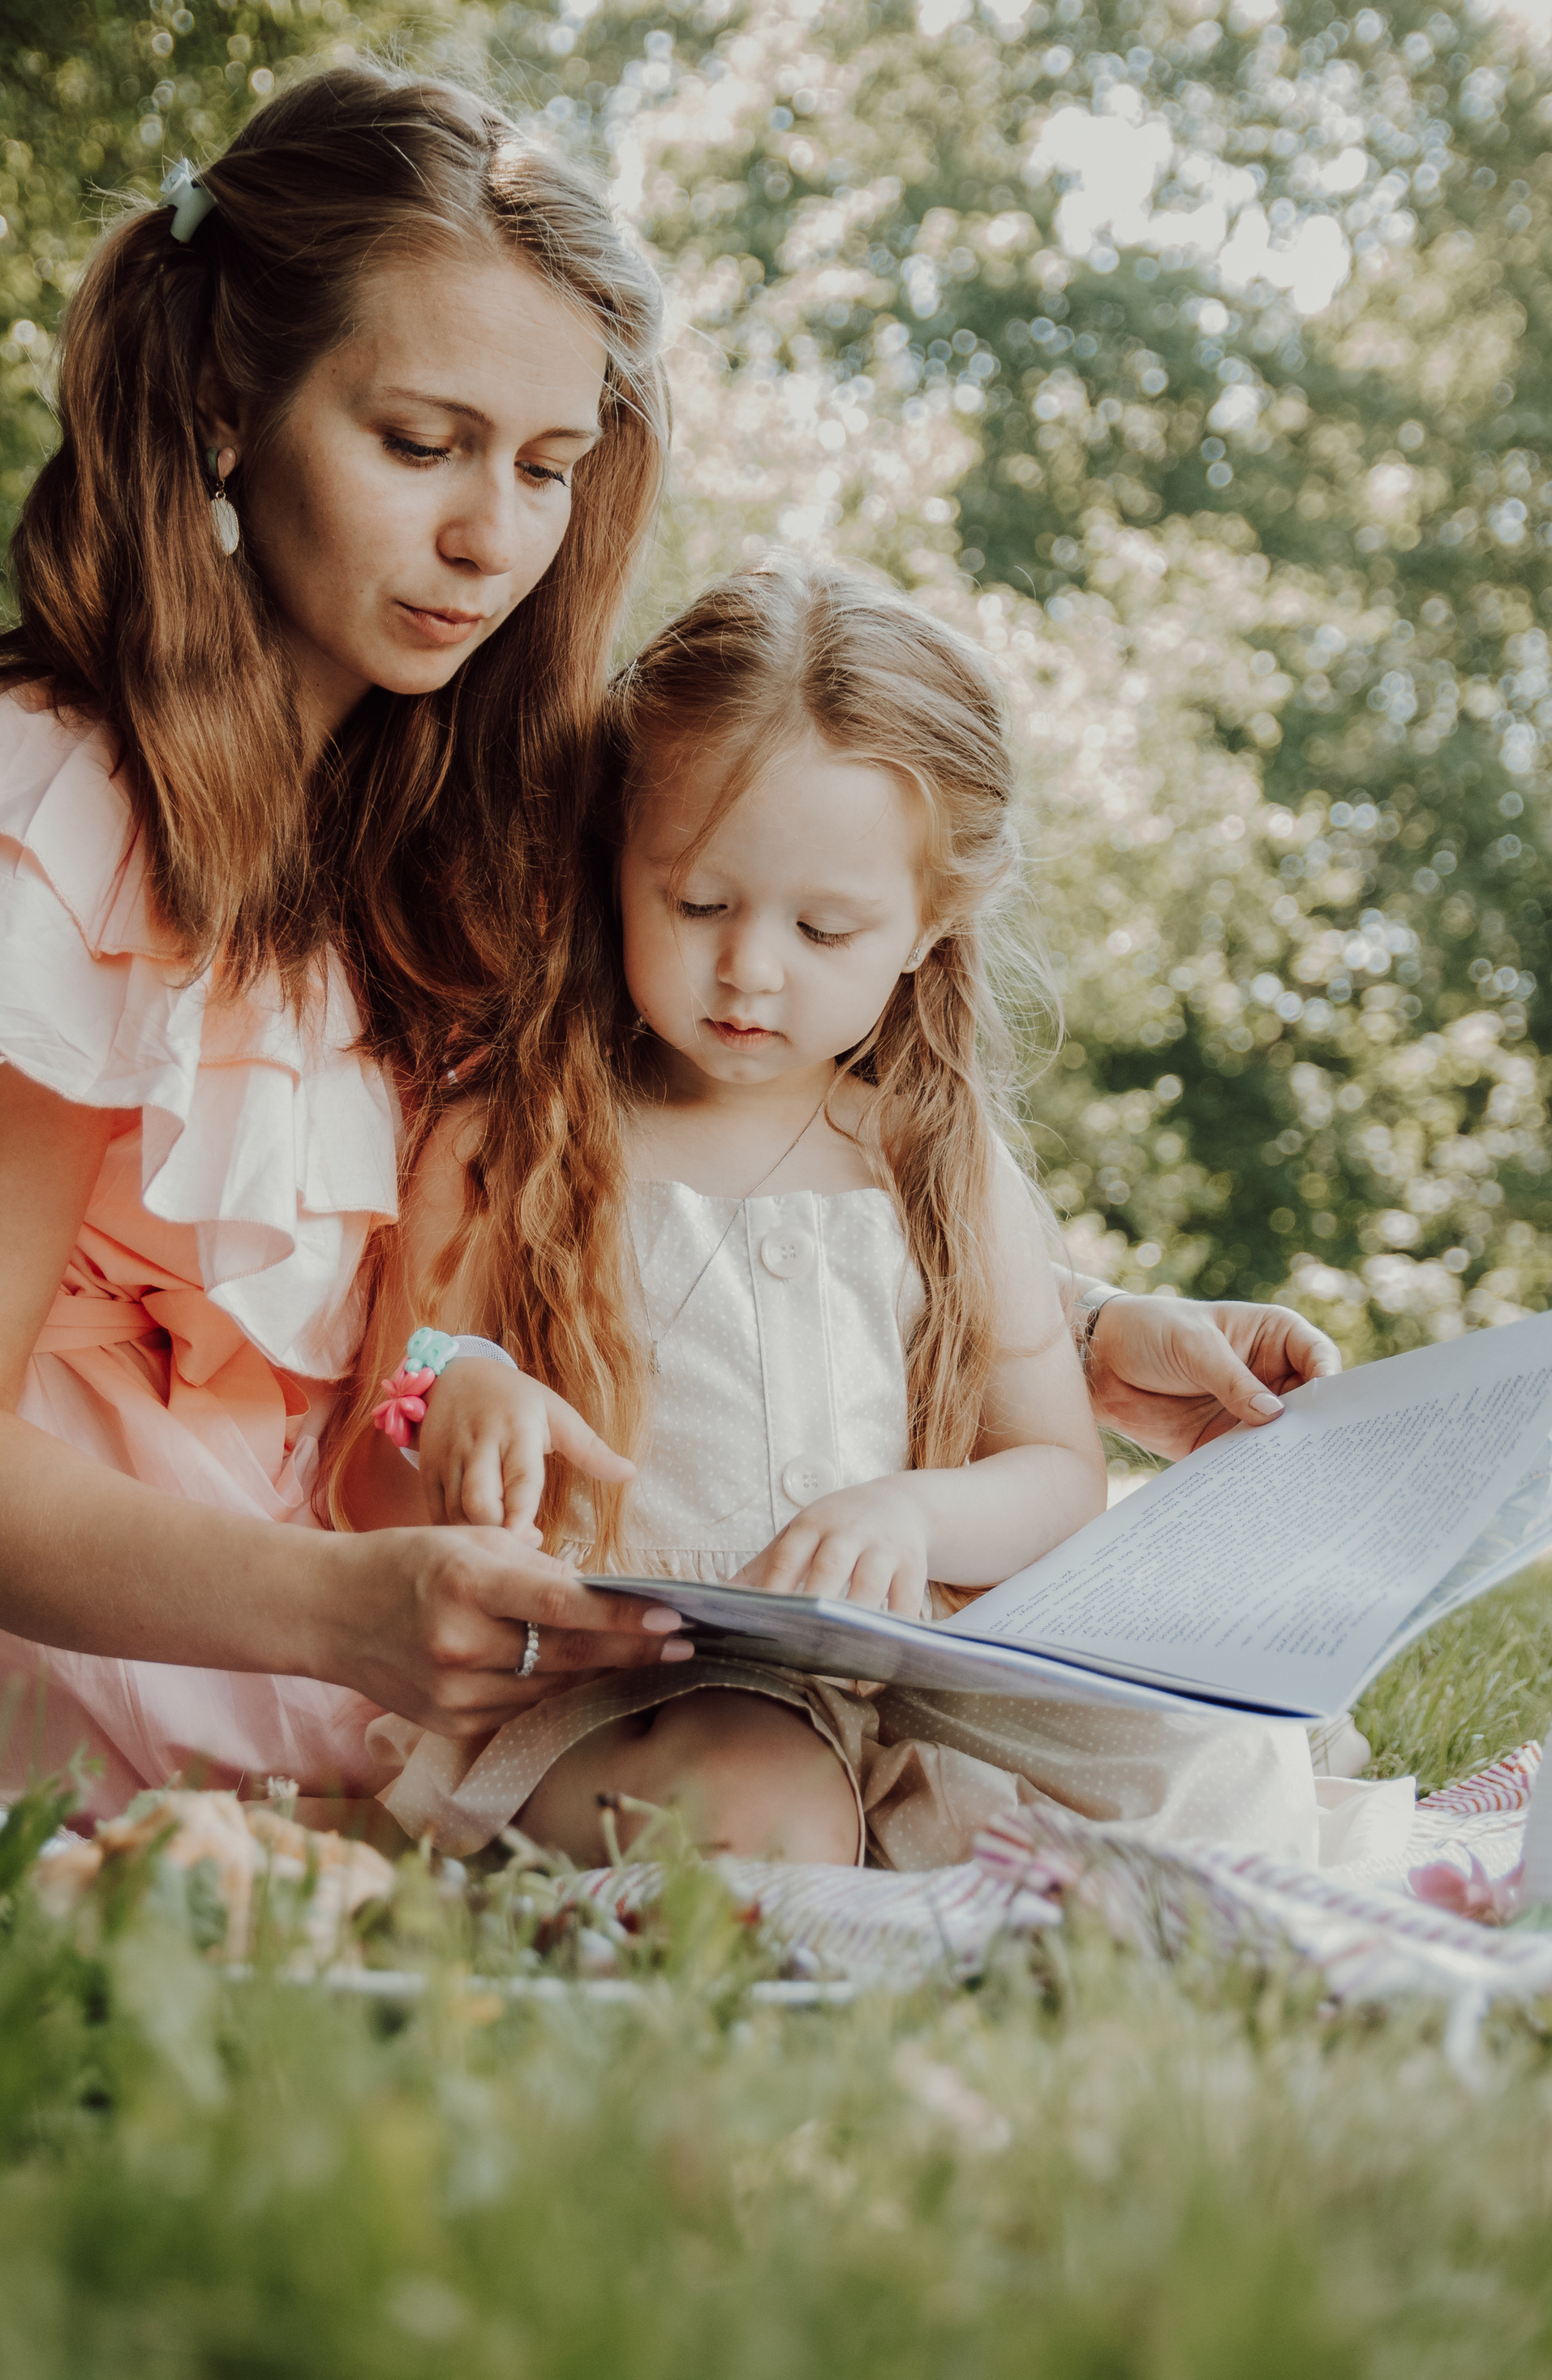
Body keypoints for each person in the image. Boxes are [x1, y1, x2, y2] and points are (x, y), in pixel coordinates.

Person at [0, 60, 1339, 1824]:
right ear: (223, 404)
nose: (492, 539)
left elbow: (671, 1168)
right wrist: (342, 1610)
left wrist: (1078, 1334)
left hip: (401, 1632)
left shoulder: (450, 801)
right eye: (420, 446)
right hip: (109, 1657)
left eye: (548, 467)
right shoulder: (35, 808)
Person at [357, 562, 1339, 1872]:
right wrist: (458, 1390)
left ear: (928, 926)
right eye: (698, 904)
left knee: (1223, 1759)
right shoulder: (511, 1143)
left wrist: (914, 1518)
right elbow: (373, 1460)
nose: (749, 970)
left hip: (913, 1693)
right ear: (616, 863)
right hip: (619, 1695)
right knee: (760, 1804)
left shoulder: (934, 1163)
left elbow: (1057, 1477)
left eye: (825, 930)